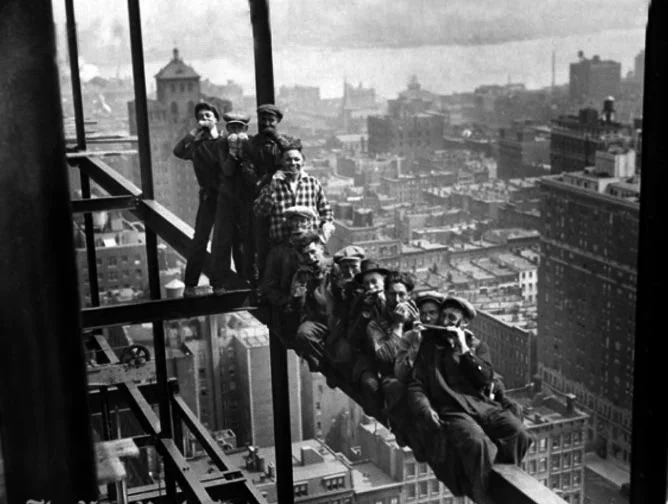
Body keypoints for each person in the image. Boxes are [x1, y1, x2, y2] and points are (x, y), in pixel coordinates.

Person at [407, 296, 533, 504]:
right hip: (452, 410)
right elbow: (416, 384)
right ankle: (482, 497)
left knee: (519, 433)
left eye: (452, 318)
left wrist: (464, 349)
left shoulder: (476, 347)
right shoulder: (429, 346)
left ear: (463, 323)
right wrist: (425, 408)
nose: (445, 321)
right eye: (444, 316)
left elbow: (484, 377)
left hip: (482, 406)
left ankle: (498, 481)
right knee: (478, 443)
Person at [241, 104, 301, 281]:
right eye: (263, 119)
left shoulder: (286, 142)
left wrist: (276, 137)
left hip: (283, 201)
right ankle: (263, 285)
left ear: (278, 121)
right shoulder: (250, 144)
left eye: (271, 120)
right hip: (260, 199)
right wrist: (268, 179)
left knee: (286, 241)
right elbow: (248, 172)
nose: (267, 123)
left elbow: (295, 152)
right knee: (260, 243)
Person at [172, 102, 222, 297]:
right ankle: (190, 285)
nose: (204, 119)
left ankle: (218, 283)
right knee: (199, 240)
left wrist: (213, 133)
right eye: (201, 116)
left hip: (225, 198)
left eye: (208, 115)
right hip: (208, 197)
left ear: (216, 119)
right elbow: (177, 151)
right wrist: (194, 132)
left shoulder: (225, 141)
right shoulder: (197, 146)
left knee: (221, 240)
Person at [253, 147, 334, 251]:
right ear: (282, 163)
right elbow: (259, 212)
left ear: (303, 162)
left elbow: (327, 212)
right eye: (288, 160)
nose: (293, 163)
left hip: (309, 247)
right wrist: (272, 187)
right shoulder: (272, 185)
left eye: (297, 159)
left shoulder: (313, 183)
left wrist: (322, 236)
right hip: (282, 247)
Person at [209, 111, 252, 293]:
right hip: (227, 197)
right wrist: (234, 153)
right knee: (222, 238)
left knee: (245, 239)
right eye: (231, 127)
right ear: (227, 129)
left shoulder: (250, 144)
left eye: (239, 127)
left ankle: (246, 278)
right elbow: (226, 170)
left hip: (245, 197)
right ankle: (219, 282)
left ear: (245, 129)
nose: (235, 130)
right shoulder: (221, 144)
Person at [260, 206, 319, 336]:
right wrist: (287, 301)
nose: (298, 225)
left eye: (302, 221)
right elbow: (269, 287)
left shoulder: (316, 249)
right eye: (294, 221)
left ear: (309, 223)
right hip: (290, 314)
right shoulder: (278, 252)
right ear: (288, 224)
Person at [288, 231, 334, 372]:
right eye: (306, 255)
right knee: (303, 333)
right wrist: (300, 288)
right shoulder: (302, 275)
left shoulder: (334, 267)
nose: (311, 257)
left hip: (338, 320)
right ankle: (327, 366)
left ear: (321, 247)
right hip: (319, 323)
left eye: (313, 252)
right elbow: (297, 307)